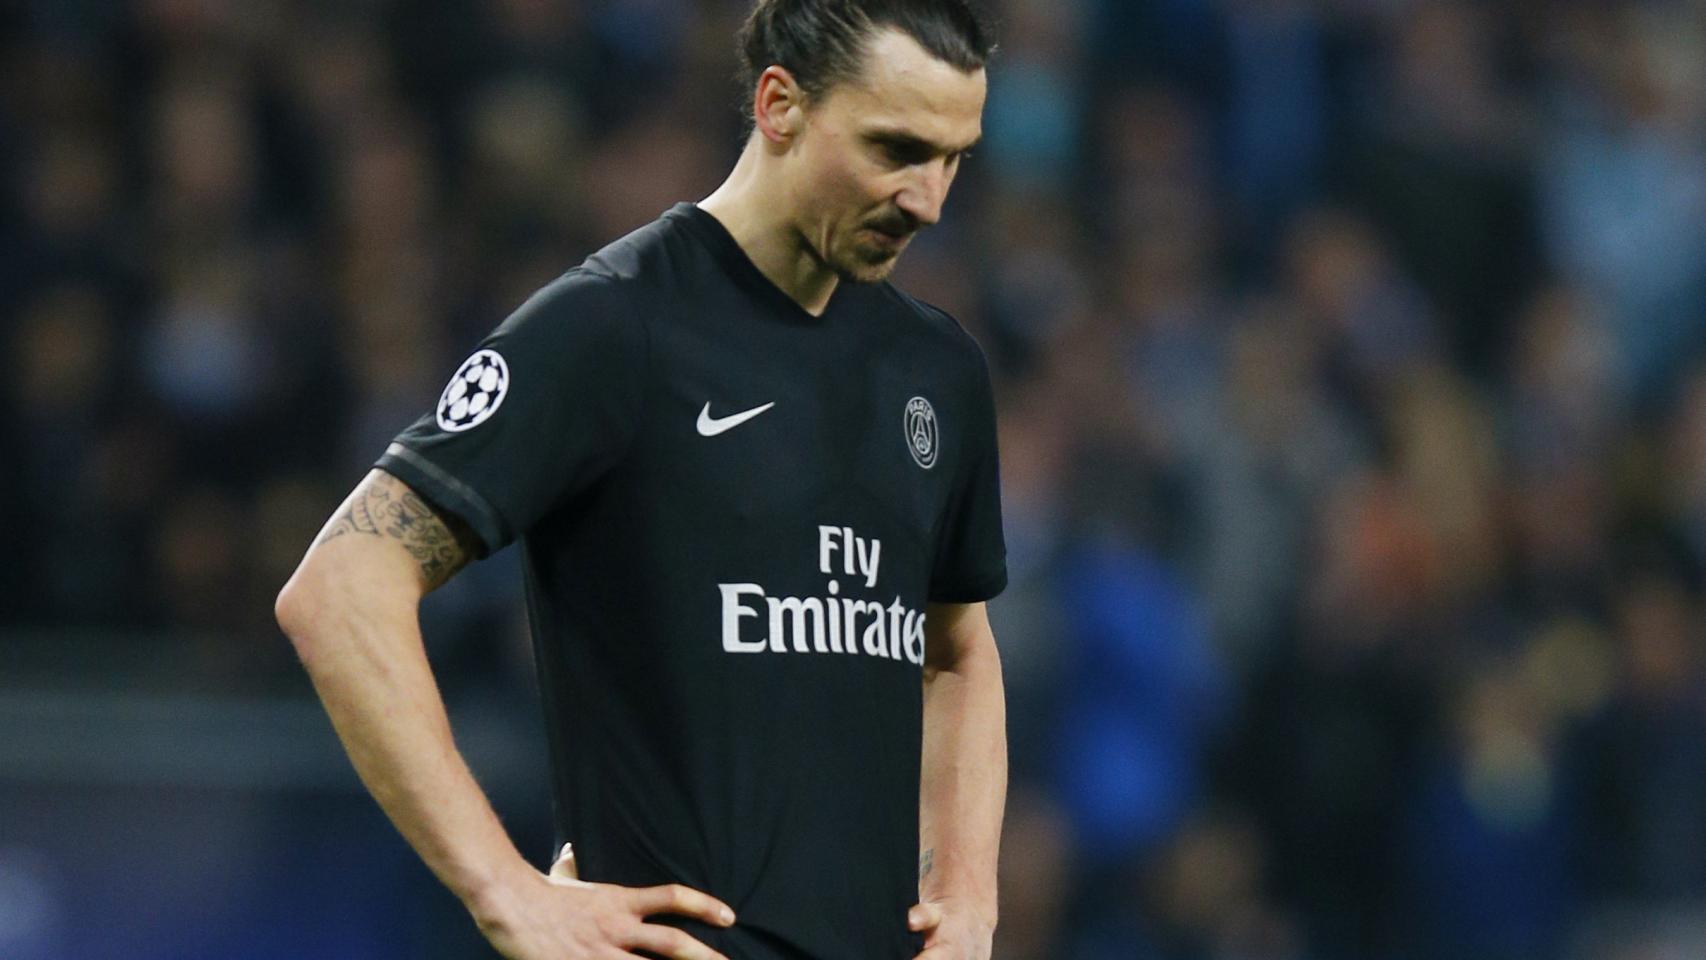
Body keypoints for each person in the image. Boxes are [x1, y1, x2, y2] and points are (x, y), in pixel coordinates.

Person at [274, 2, 1008, 958]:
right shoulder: (612, 328)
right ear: (779, 104)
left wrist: (968, 893)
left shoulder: (936, 369)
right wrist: (505, 891)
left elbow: (956, 647)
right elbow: (339, 589)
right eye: (897, 149)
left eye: (954, 158)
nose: (929, 200)